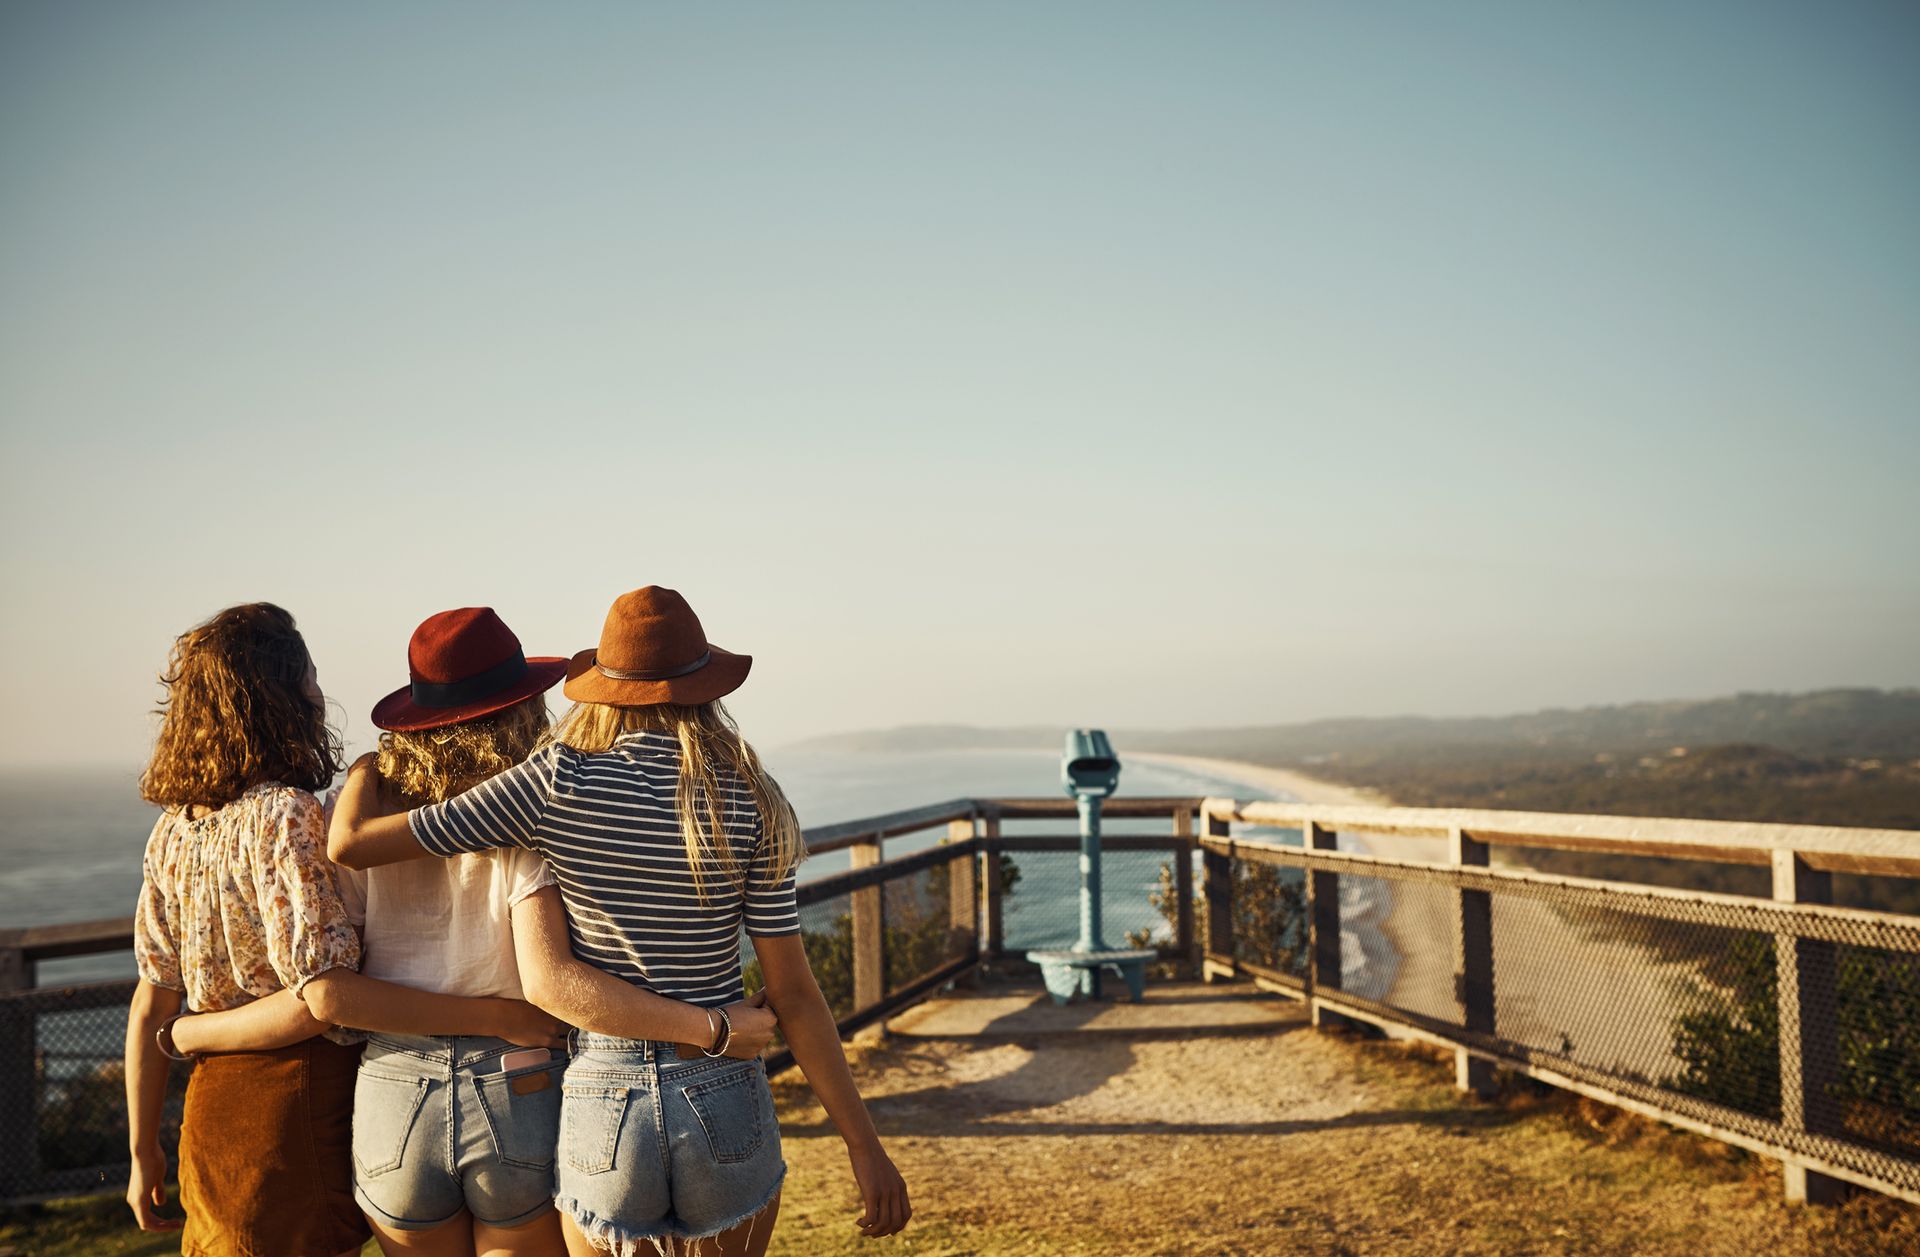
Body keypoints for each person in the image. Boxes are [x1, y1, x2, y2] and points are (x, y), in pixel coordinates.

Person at [155, 606, 777, 1257]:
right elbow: (555, 970)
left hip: (393, 1091)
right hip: (520, 1079)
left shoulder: (348, 809)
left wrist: (367, 768)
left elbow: (334, 978)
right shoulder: (533, 808)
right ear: (522, 706)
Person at [332, 586, 911, 1257]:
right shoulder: (751, 795)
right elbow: (796, 994)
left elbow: (353, 845)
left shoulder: (551, 783)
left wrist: (363, 770)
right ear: (706, 685)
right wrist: (864, 1145)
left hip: (603, 1099)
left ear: (603, 686)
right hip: (722, 1086)